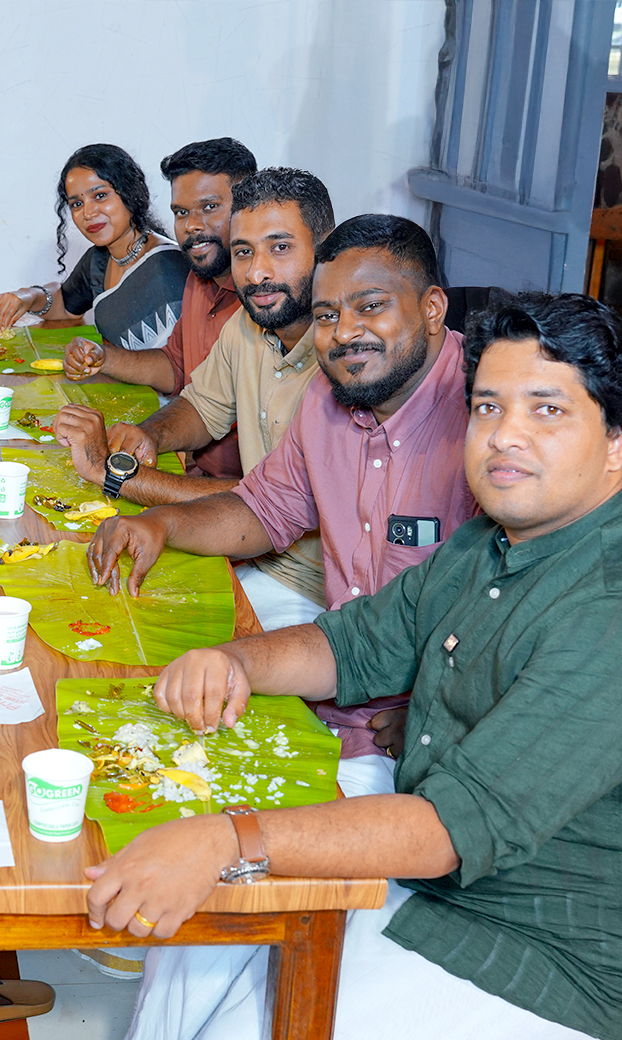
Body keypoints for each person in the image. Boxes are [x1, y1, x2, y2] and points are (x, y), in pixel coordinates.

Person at [96, 291, 622, 1040]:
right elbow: (356, 644)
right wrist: (235, 661)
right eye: (488, 407)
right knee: (197, 938)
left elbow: (453, 827)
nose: (506, 435)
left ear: (618, 441)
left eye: (547, 410)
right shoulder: (494, 541)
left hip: (553, 951)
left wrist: (229, 837)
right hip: (442, 879)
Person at [88, 215, 479, 781]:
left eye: (371, 307)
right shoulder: (330, 392)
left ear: (433, 308)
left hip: (416, 741)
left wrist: (440, 715)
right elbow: (264, 509)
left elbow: (528, 612)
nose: (344, 333)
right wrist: (163, 523)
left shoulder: (486, 418)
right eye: (327, 315)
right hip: (334, 686)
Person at [58, 168, 335, 631]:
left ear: (325, 248)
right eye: (244, 252)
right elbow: (202, 406)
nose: (257, 272)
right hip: (248, 559)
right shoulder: (250, 325)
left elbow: (264, 504)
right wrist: (151, 434)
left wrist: (115, 474)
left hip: (309, 592)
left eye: (280, 248)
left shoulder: (344, 361)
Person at [58, 138, 256, 475]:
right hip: (194, 468)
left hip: (234, 487)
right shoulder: (199, 279)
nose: (192, 225)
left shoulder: (264, 300)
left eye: (209, 207)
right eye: (181, 212)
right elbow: (175, 367)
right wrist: (105, 358)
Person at [0, 144, 190, 362]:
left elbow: (179, 365)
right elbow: (64, 305)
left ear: (130, 192)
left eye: (100, 196)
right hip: (112, 377)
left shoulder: (168, 266)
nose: (88, 213)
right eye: (77, 203)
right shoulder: (99, 259)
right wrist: (27, 297)